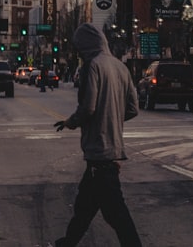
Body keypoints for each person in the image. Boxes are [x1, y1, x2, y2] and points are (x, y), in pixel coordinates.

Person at [53, 23, 141, 247]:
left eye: (79, 47)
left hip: (99, 152)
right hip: (110, 151)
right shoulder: (120, 67)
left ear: (85, 45)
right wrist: (111, 120)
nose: (78, 52)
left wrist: (71, 122)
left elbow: (88, 107)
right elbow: (133, 108)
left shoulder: (92, 66)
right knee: (85, 207)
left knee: (116, 213)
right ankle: (67, 242)